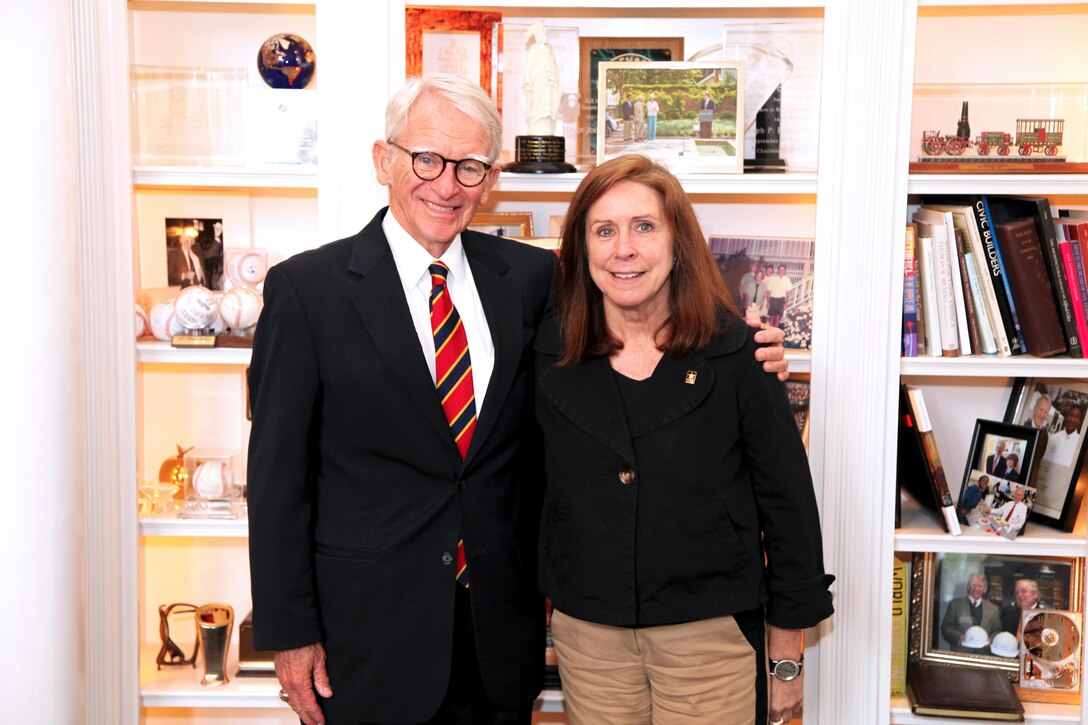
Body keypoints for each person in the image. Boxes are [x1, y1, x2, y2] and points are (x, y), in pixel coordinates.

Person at [247, 75, 791, 725]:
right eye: (427, 159)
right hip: (366, 641)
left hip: (499, 638)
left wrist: (745, 347)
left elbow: (635, 329)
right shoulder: (306, 292)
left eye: (470, 166)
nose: (447, 184)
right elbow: (278, 480)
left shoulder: (534, 282)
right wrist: (289, 631)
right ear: (383, 159)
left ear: (491, 176)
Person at [534, 154, 832, 725]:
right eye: (604, 230)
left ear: (677, 243)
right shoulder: (548, 354)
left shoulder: (740, 355)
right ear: (582, 249)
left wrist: (787, 658)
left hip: (711, 639)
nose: (625, 248)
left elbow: (788, 507)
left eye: (644, 226)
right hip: (590, 640)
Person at [940, 573, 1002, 651]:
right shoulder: (955, 605)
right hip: (960, 653)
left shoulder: (994, 609)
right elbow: (946, 627)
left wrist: (989, 639)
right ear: (968, 587)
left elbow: (997, 630)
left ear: (985, 589)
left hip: (984, 655)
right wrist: (959, 637)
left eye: (980, 586)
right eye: (973, 585)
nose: (976, 589)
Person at [523, 21, 561, 136]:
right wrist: (528, 78)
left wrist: (555, 79)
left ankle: (546, 126)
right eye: (542, 32)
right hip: (537, 79)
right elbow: (528, 66)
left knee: (547, 102)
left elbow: (554, 66)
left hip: (548, 81)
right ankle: (536, 127)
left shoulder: (549, 49)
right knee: (537, 102)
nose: (544, 35)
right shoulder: (534, 49)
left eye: (545, 32)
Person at [765, 263, 793, 329]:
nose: (781, 272)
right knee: (771, 318)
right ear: (778, 270)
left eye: (783, 270)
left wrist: (786, 302)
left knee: (778, 318)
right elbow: (769, 292)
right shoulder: (773, 279)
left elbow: (788, 293)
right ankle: (770, 332)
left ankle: (775, 333)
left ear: (785, 271)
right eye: (780, 270)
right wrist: (768, 302)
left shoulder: (787, 280)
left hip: (781, 300)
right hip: (773, 300)